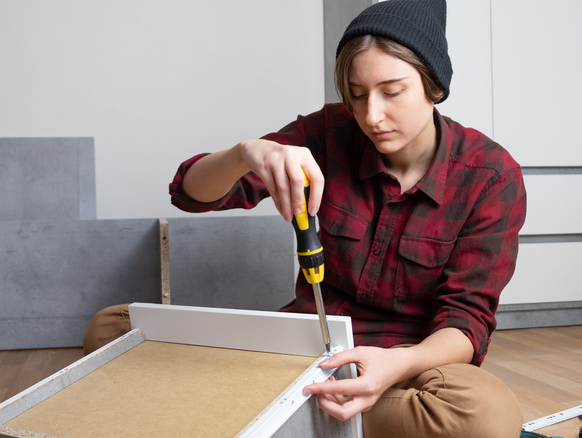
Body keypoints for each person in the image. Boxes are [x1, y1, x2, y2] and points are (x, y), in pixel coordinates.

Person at [84, 0, 527, 436]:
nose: (372, 116)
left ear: (434, 86)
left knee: (485, 415)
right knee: (112, 328)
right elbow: (190, 195)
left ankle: (268, 408)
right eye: (357, 95)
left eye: (392, 92)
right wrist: (246, 153)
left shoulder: (490, 177)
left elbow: (466, 321)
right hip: (303, 345)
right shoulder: (328, 133)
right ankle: (309, 413)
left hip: (407, 365)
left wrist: (395, 365)